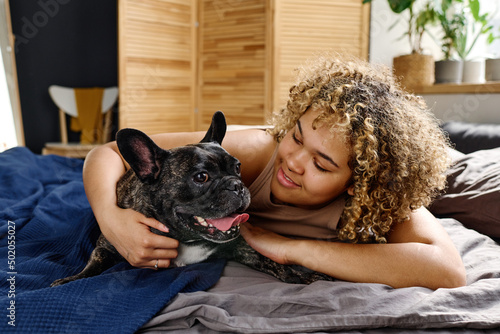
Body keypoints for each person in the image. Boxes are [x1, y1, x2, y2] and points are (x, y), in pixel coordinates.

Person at [83, 54, 466, 290]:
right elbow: (106, 153)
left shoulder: (377, 201)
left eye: (321, 163)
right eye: (297, 137)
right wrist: (111, 218)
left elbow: (448, 271)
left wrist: (289, 248)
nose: (295, 162)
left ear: (360, 183)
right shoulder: (258, 150)